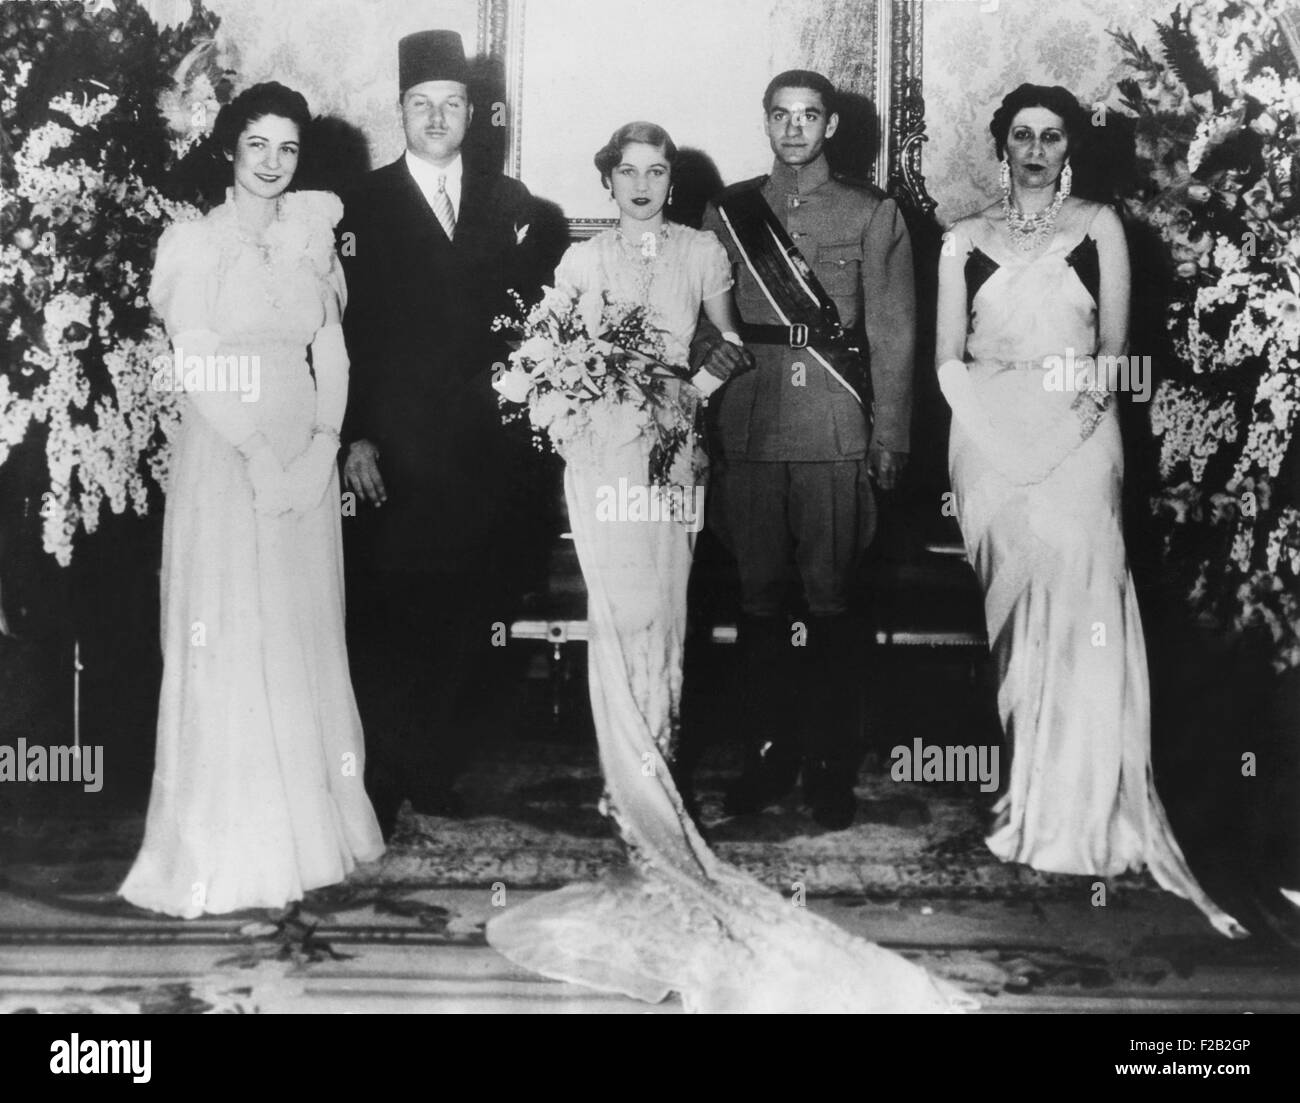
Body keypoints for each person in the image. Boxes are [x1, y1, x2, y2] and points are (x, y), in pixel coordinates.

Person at [484, 123, 975, 1012]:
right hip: (601, 465)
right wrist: (582, 396)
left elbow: (727, 344)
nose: (640, 184)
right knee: (617, 616)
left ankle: (660, 781)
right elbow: (543, 356)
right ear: (606, 178)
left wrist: (679, 392)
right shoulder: (580, 262)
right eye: (625, 171)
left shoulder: (704, 250)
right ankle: (622, 793)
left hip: (670, 462)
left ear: (674, 179)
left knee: (664, 618)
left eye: (656, 169)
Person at [935, 83, 1245, 938]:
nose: (1036, 148)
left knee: (1086, 607)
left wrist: (1062, 437)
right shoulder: (963, 239)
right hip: (986, 436)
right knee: (1019, 620)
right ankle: (1028, 802)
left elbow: (1113, 351)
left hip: (1082, 431)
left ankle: (1087, 812)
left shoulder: (1101, 226)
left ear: (1069, 146)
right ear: (1003, 145)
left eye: (1051, 136)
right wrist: (1002, 445)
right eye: (1022, 135)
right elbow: (947, 362)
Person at [120, 82, 384, 919]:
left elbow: (333, 351)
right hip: (227, 455)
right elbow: (196, 361)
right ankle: (233, 842)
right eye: (258, 145)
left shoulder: (313, 236)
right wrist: (262, 456)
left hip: (304, 446)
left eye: (288, 149)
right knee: (235, 629)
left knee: (300, 630)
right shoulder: (194, 244)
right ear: (230, 147)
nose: (272, 164)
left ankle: (310, 833)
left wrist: (320, 448)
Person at [338, 31, 552, 834]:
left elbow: (527, 328)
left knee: (469, 609)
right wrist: (354, 438)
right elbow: (341, 332)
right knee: (390, 612)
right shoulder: (362, 206)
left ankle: (433, 766)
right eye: (421, 105)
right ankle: (383, 771)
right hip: (391, 451)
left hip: (480, 451)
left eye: (451, 104)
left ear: (473, 111)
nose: (436, 118)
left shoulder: (511, 205)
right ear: (400, 110)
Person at [692, 70, 916, 829]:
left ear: (830, 127)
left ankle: (827, 763)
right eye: (781, 116)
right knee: (757, 601)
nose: (795, 129)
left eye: (809, 116)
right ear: (766, 122)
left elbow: (892, 334)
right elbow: (705, 320)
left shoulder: (871, 211)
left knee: (830, 600)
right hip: (751, 422)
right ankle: (767, 753)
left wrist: (891, 436)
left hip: (833, 425)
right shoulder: (727, 212)